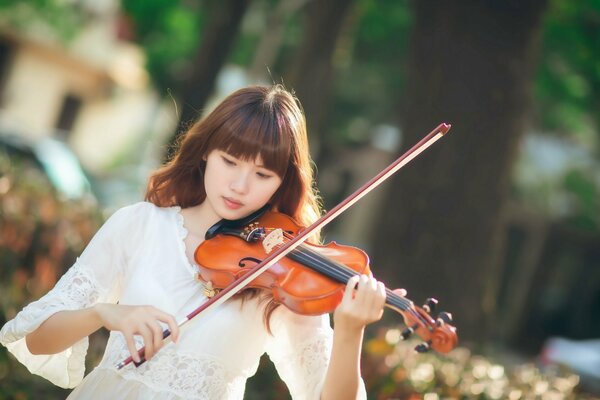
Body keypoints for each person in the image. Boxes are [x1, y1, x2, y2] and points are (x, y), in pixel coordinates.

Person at [0, 85, 391, 399]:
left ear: (282, 184)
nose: (239, 185)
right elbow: (37, 340)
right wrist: (106, 314)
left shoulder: (286, 273)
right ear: (206, 152)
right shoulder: (140, 225)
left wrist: (351, 329)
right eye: (230, 161)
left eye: (262, 174)